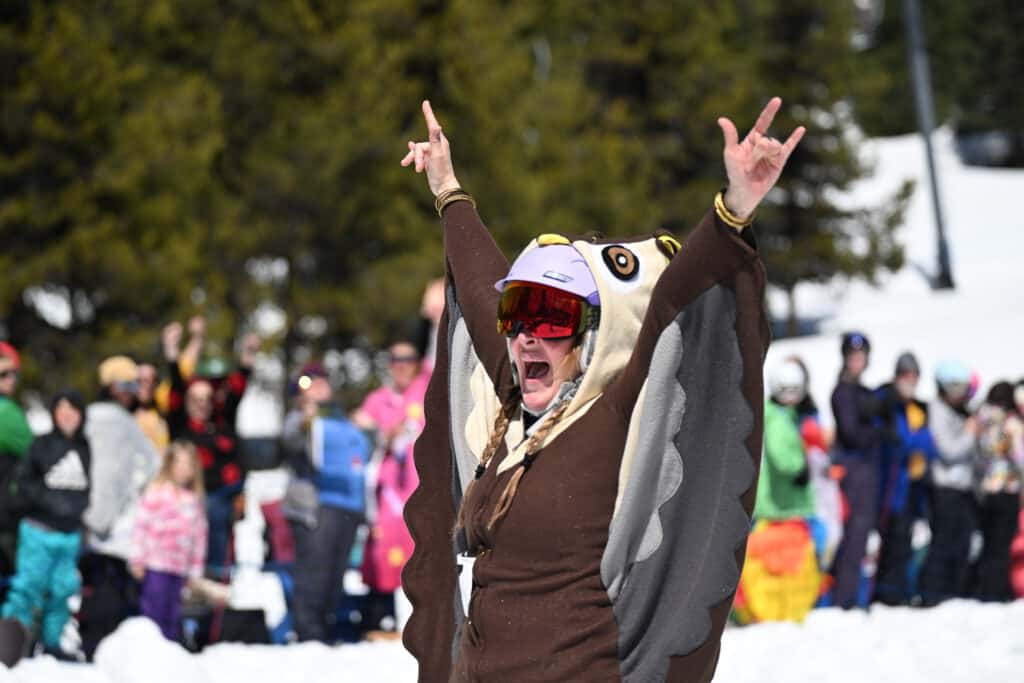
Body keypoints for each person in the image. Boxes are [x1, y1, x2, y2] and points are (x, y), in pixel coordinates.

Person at [400, 97, 801, 681]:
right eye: (521, 313)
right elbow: (483, 289)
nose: (529, 336)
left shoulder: (613, 417)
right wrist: (449, 189)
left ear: (591, 334)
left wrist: (733, 210)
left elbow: (672, 309)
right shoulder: (509, 411)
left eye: (554, 317)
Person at [281, 364, 371, 643]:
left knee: (335, 574)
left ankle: (325, 631)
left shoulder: (345, 419)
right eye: (310, 382)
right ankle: (308, 634)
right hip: (316, 507)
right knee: (314, 575)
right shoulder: (301, 418)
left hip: (349, 506)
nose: (319, 385)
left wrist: (372, 430)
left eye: (322, 380)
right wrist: (303, 417)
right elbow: (291, 439)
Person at [79, 356, 160, 658]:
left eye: (132, 385)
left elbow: (150, 465)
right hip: (103, 524)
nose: (128, 391)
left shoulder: (128, 423)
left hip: (113, 525)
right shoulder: (108, 420)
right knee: (104, 589)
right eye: (122, 384)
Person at [162, 320, 257, 575]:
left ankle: (217, 580)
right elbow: (176, 386)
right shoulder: (181, 425)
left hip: (223, 496)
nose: (203, 404)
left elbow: (237, 391)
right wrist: (172, 351)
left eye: (207, 399)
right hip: (190, 499)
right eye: (196, 399)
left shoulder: (222, 422)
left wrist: (248, 355)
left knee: (218, 530)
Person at [0, 390, 90, 659]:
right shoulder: (40, 445)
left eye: (73, 411)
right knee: (28, 587)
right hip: (38, 529)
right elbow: (24, 484)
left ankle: (52, 643)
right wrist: (49, 502)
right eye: (62, 410)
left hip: (69, 533)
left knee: (63, 590)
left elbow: (87, 485)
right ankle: (9, 644)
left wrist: (78, 509)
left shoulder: (84, 448)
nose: (67, 416)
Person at [352, 341, 430, 637]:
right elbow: (358, 433)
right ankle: (380, 616)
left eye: (408, 358)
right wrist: (381, 434)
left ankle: (421, 617)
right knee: (382, 552)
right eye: (395, 358)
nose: (402, 364)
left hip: (420, 490)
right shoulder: (377, 400)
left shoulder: (427, 392)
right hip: (386, 495)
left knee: (420, 551)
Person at [735, 361, 820, 624]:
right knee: (771, 562)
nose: (792, 397)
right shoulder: (776, 418)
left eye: (796, 390)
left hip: (782, 504)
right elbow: (782, 456)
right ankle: (765, 609)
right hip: (779, 505)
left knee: (782, 563)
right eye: (787, 391)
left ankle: (780, 607)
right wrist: (799, 468)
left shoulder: (781, 414)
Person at [872, 352, 937, 605]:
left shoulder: (917, 407)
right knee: (892, 541)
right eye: (905, 375)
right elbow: (900, 442)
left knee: (906, 541)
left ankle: (899, 591)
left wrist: (918, 440)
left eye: (914, 375)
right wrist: (918, 440)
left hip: (912, 484)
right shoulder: (887, 402)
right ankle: (888, 595)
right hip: (890, 485)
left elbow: (929, 444)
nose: (910, 381)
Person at [129, 441, 208, 641]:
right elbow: (141, 526)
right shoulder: (156, 492)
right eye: (179, 463)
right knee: (153, 613)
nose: (183, 470)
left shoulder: (194, 500)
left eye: (188, 465)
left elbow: (199, 538)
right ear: (169, 465)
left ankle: (169, 654)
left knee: (172, 615)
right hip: (156, 564)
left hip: (179, 568)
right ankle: (149, 650)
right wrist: (138, 559)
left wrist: (195, 571)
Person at [828, 331, 883, 609]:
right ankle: (844, 597)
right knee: (856, 530)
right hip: (854, 466)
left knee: (862, 531)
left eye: (861, 357)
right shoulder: (844, 391)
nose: (857, 361)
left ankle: (849, 591)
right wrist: (876, 432)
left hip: (866, 465)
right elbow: (850, 432)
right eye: (853, 356)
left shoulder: (860, 390)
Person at [917, 359, 978, 606]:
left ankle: (955, 592)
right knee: (942, 542)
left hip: (962, 488)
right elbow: (949, 450)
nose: (961, 393)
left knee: (962, 541)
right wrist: (971, 433)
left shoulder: (959, 411)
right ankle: (932, 594)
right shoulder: (937, 412)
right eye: (955, 387)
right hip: (943, 488)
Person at [971, 381, 1023, 602]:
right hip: (1007, 489)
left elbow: (979, 458)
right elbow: (1020, 458)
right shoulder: (1011, 424)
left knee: (990, 544)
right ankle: (998, 591)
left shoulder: (983, 423)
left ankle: (985, 589)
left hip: (986, 490)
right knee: (1002, 546)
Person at [0, 342, 33, 576]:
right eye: (4, 374)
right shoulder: (7, 412)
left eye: (14, 374)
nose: (11, 379)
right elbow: (35, 451)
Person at [135, 362, 169, 453]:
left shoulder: (162, 407)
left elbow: (183, 368)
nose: (147, 385)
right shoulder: (122, 414)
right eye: (140, 380)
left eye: (152, 380)